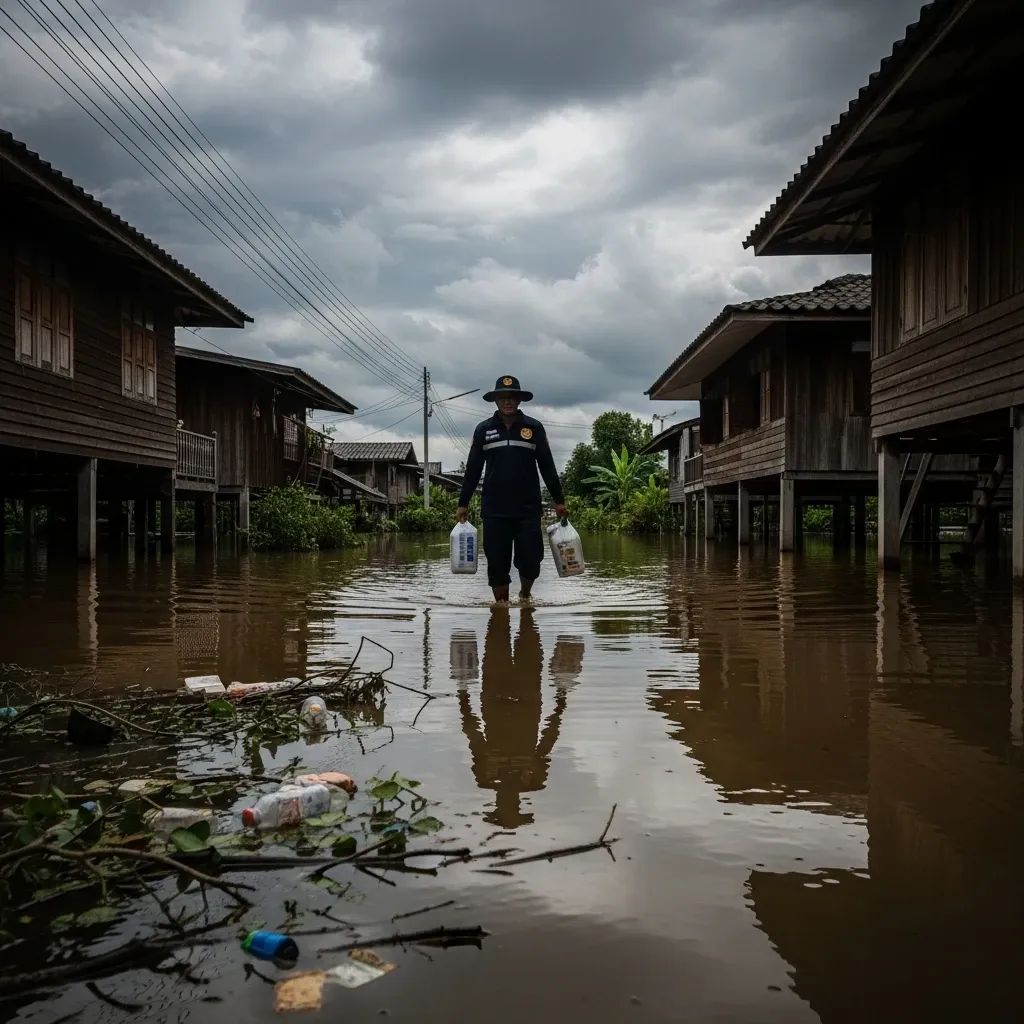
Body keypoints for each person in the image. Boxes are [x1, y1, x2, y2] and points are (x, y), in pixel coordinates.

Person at [456, 374, 566, 603]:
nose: (507, 402)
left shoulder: (534, 428)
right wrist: (462, 503)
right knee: (496, 563)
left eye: (512, 397)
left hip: (528, 510)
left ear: (518, 401)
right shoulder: (483, 430)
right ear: (495, 401)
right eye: (502, 398)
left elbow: (547, 466)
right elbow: (473, 469)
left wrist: (559, 500)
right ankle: (501, 606)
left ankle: (525, 595)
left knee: (531, 562)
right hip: (494, 510)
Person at [458, 606, 567, 828]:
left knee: (499, 632)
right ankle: (524, 610)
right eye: (510, 806)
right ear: (516, 805)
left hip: (498, 693)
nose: (506, 799)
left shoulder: (485, 777)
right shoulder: (534, 780)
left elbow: (474, 738)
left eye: (503, 806)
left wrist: (464, 700)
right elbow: (546, 743)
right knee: (525, 632)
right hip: (523, 695)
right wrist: (559, 708)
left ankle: (518, 609)